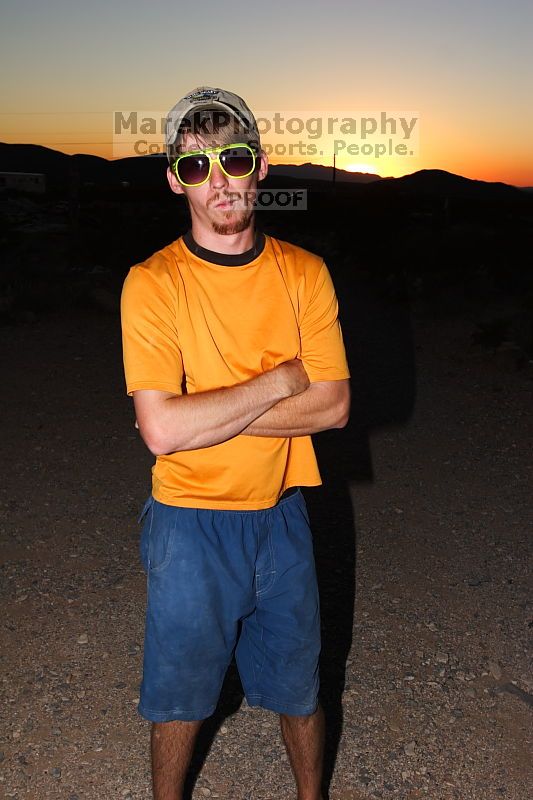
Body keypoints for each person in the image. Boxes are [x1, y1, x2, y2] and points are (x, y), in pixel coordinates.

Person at [120, 86, 351, 800]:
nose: (217, 179)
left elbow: (335, 406)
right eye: (194, 166)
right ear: (172, 180)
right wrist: (282, 379)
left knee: (299, 688)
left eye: (233, 157)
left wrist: (201, 414)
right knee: (180, 697)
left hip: (282, 515)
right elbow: (160, 431)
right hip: (188, 521)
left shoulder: (304, 272)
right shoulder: (152, 283)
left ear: (260, 168)